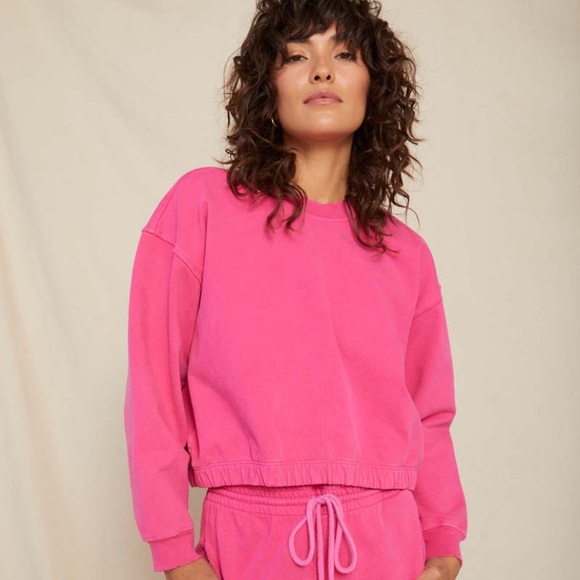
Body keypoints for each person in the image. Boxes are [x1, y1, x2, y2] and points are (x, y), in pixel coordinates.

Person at [123, 0, 468, 578]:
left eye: (345, 54)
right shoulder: (201, 208)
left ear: (374, 86)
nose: (323, 69)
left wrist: (443, 546)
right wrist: (175, 550)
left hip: (388, 545)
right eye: (297, 56)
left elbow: (430, 416)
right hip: (248, 542)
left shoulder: (406, 255)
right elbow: (154, 389)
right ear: (268, 85)